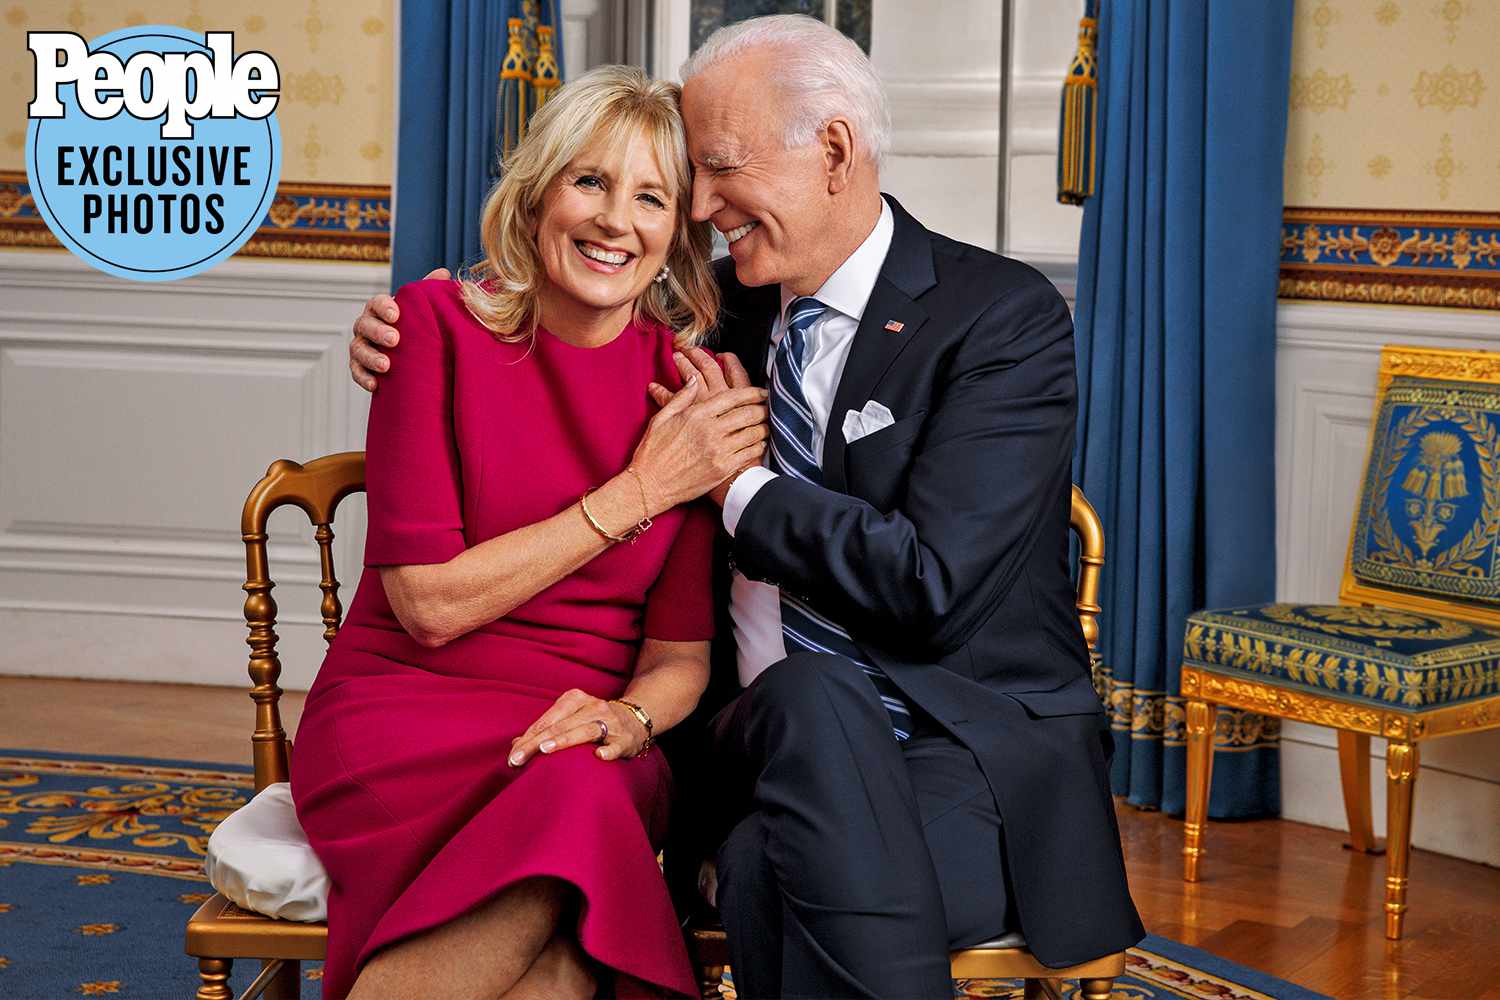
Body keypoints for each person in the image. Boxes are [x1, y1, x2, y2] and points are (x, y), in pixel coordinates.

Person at [350, 15, 1146, 999]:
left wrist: (737, 488)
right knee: (809, 702)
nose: (699, 204)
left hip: (957, 753)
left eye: (719, 168)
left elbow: (933, 587)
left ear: (835, 152)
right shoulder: (707, 313)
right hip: (751, 743)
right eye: (693, 177)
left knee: (775, 867)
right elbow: (557, 298)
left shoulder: (999, 318)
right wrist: (411, 323)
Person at [291, 65, 771, 1000]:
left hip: (583, 733)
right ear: (539, 192)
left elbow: (679, 658)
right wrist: (639, 492)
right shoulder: (430, 329)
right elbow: (428, 607)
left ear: (677, 232)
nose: (614, 221)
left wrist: (629, 719)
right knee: (571, 932)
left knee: (579, 802)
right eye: (590, 181)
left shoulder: (687, 396)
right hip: (402, 717)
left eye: (651, 198)